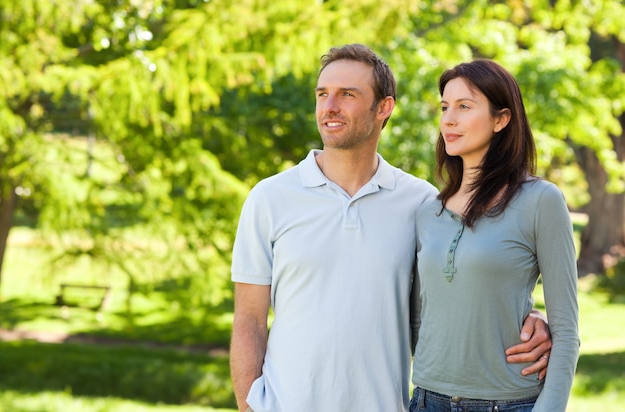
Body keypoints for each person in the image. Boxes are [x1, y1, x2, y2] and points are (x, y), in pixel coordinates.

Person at [230, 44, 552, 412]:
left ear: (384, 108)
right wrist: (248, 406)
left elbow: (464, 288)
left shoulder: (422, 203)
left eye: (347, 94)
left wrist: (530, 319)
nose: (329, 106)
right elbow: (249, 320)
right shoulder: (270, 197)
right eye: (322, 94)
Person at [409, 59, 579, 412]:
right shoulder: (427, 211)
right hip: (428, 401)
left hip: (508, 403)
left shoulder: (540, 201)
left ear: (501, 119)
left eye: (464, 107)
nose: (448, 119)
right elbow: (418, 317)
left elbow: (566, 331)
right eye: (444, 107)